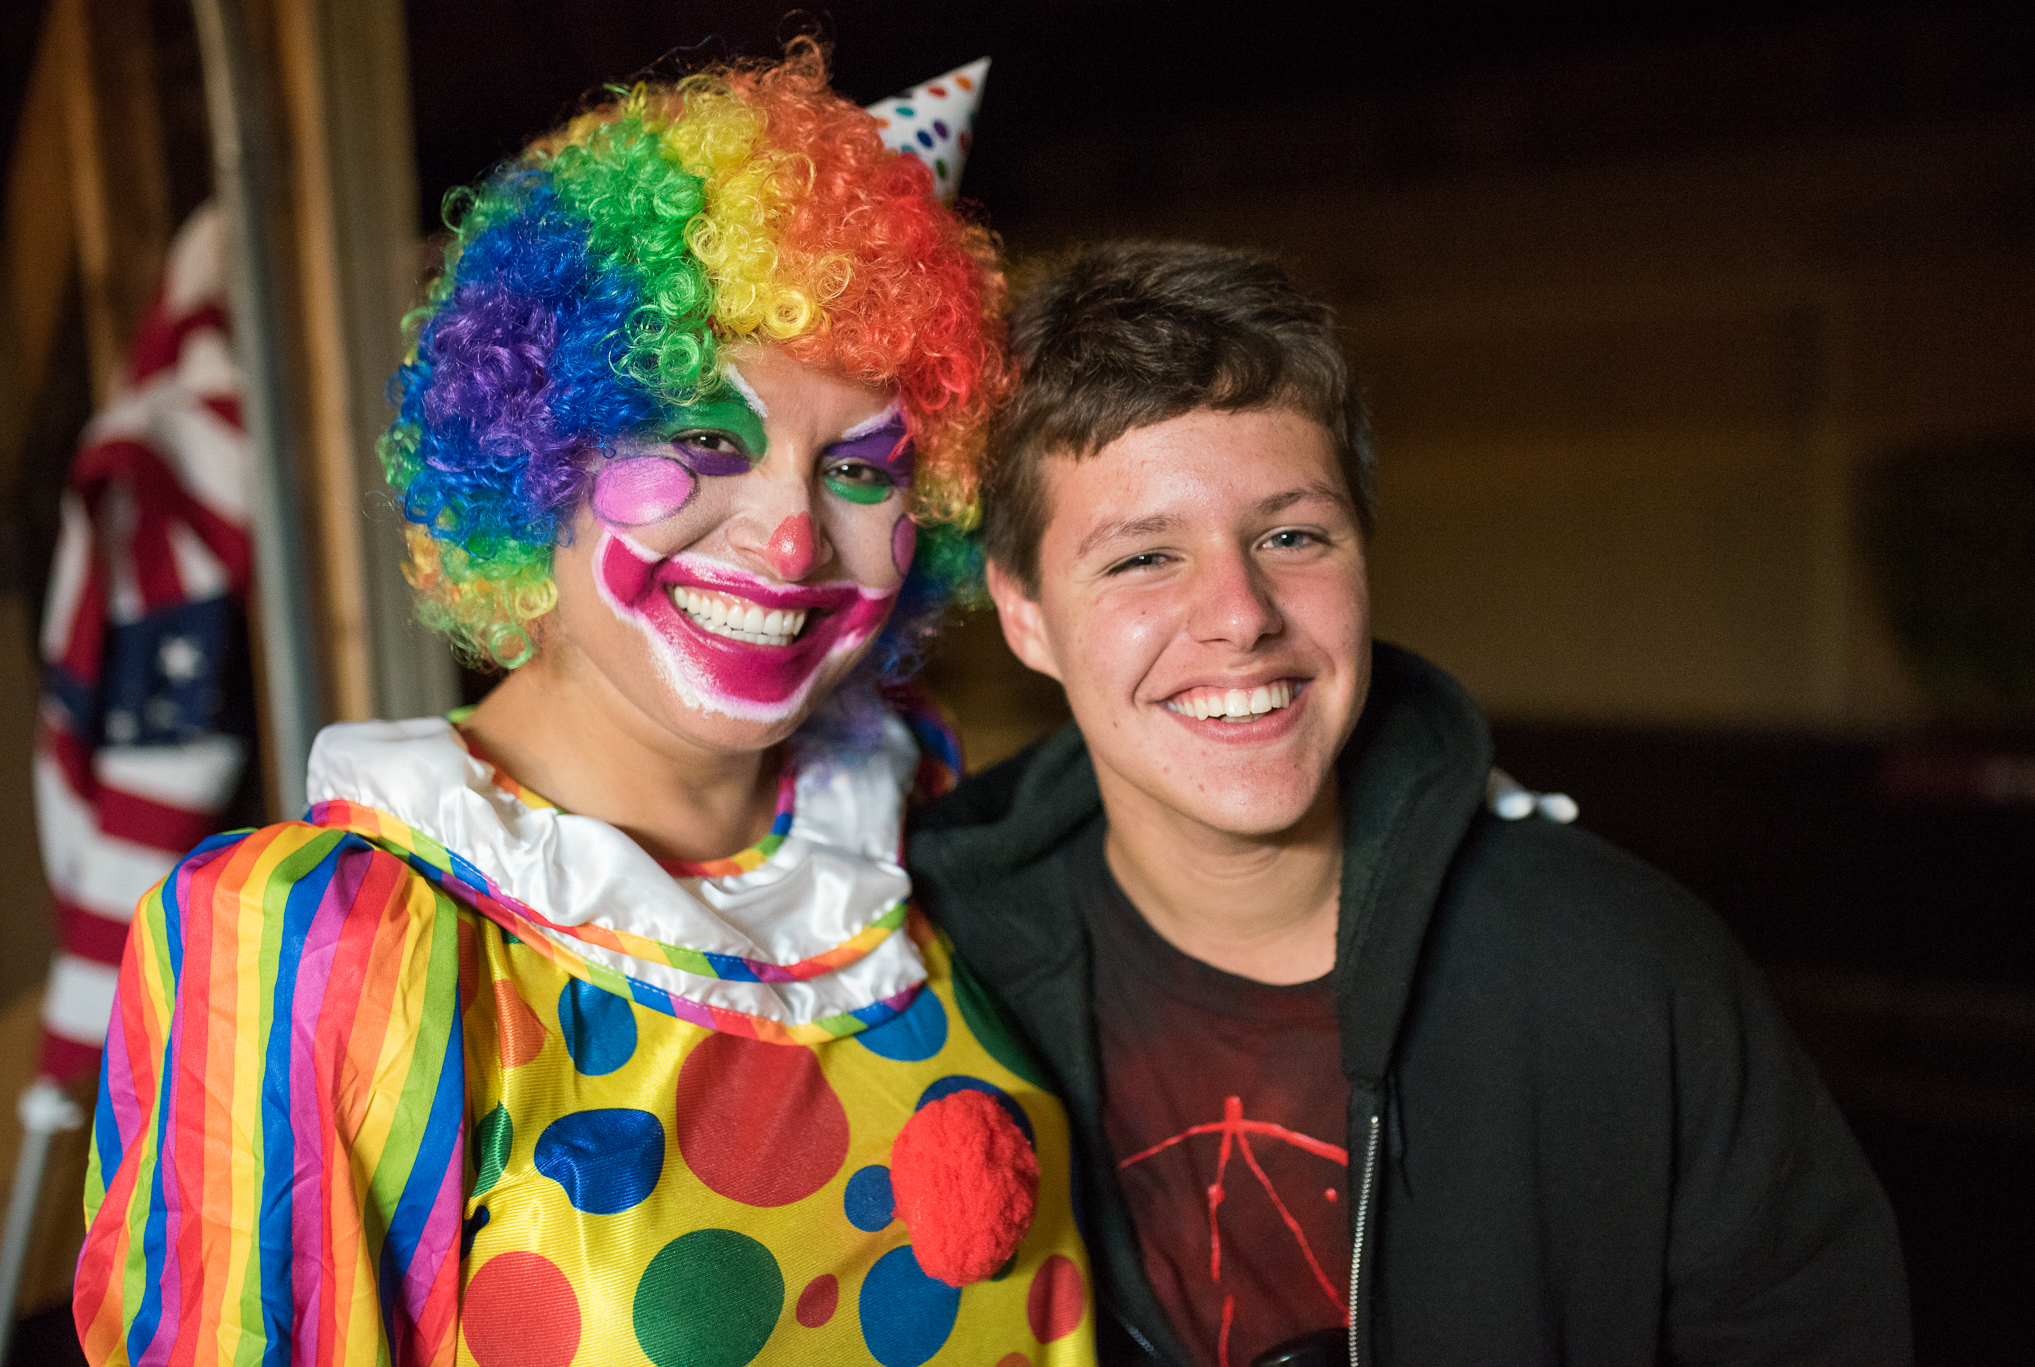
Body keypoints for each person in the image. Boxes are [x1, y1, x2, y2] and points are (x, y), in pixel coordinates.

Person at [74, 44, 1097, 1367]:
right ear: (536, 459)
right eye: (702, 439)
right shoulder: (324, 938)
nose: (792, 539)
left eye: (859, 466)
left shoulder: (919, 815)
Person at [907, 241, 1911, 1367]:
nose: (1239, 614)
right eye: (1142, 557)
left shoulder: (1619, 972)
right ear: (1026, 614)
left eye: (1290, 535)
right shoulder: (921, 971)